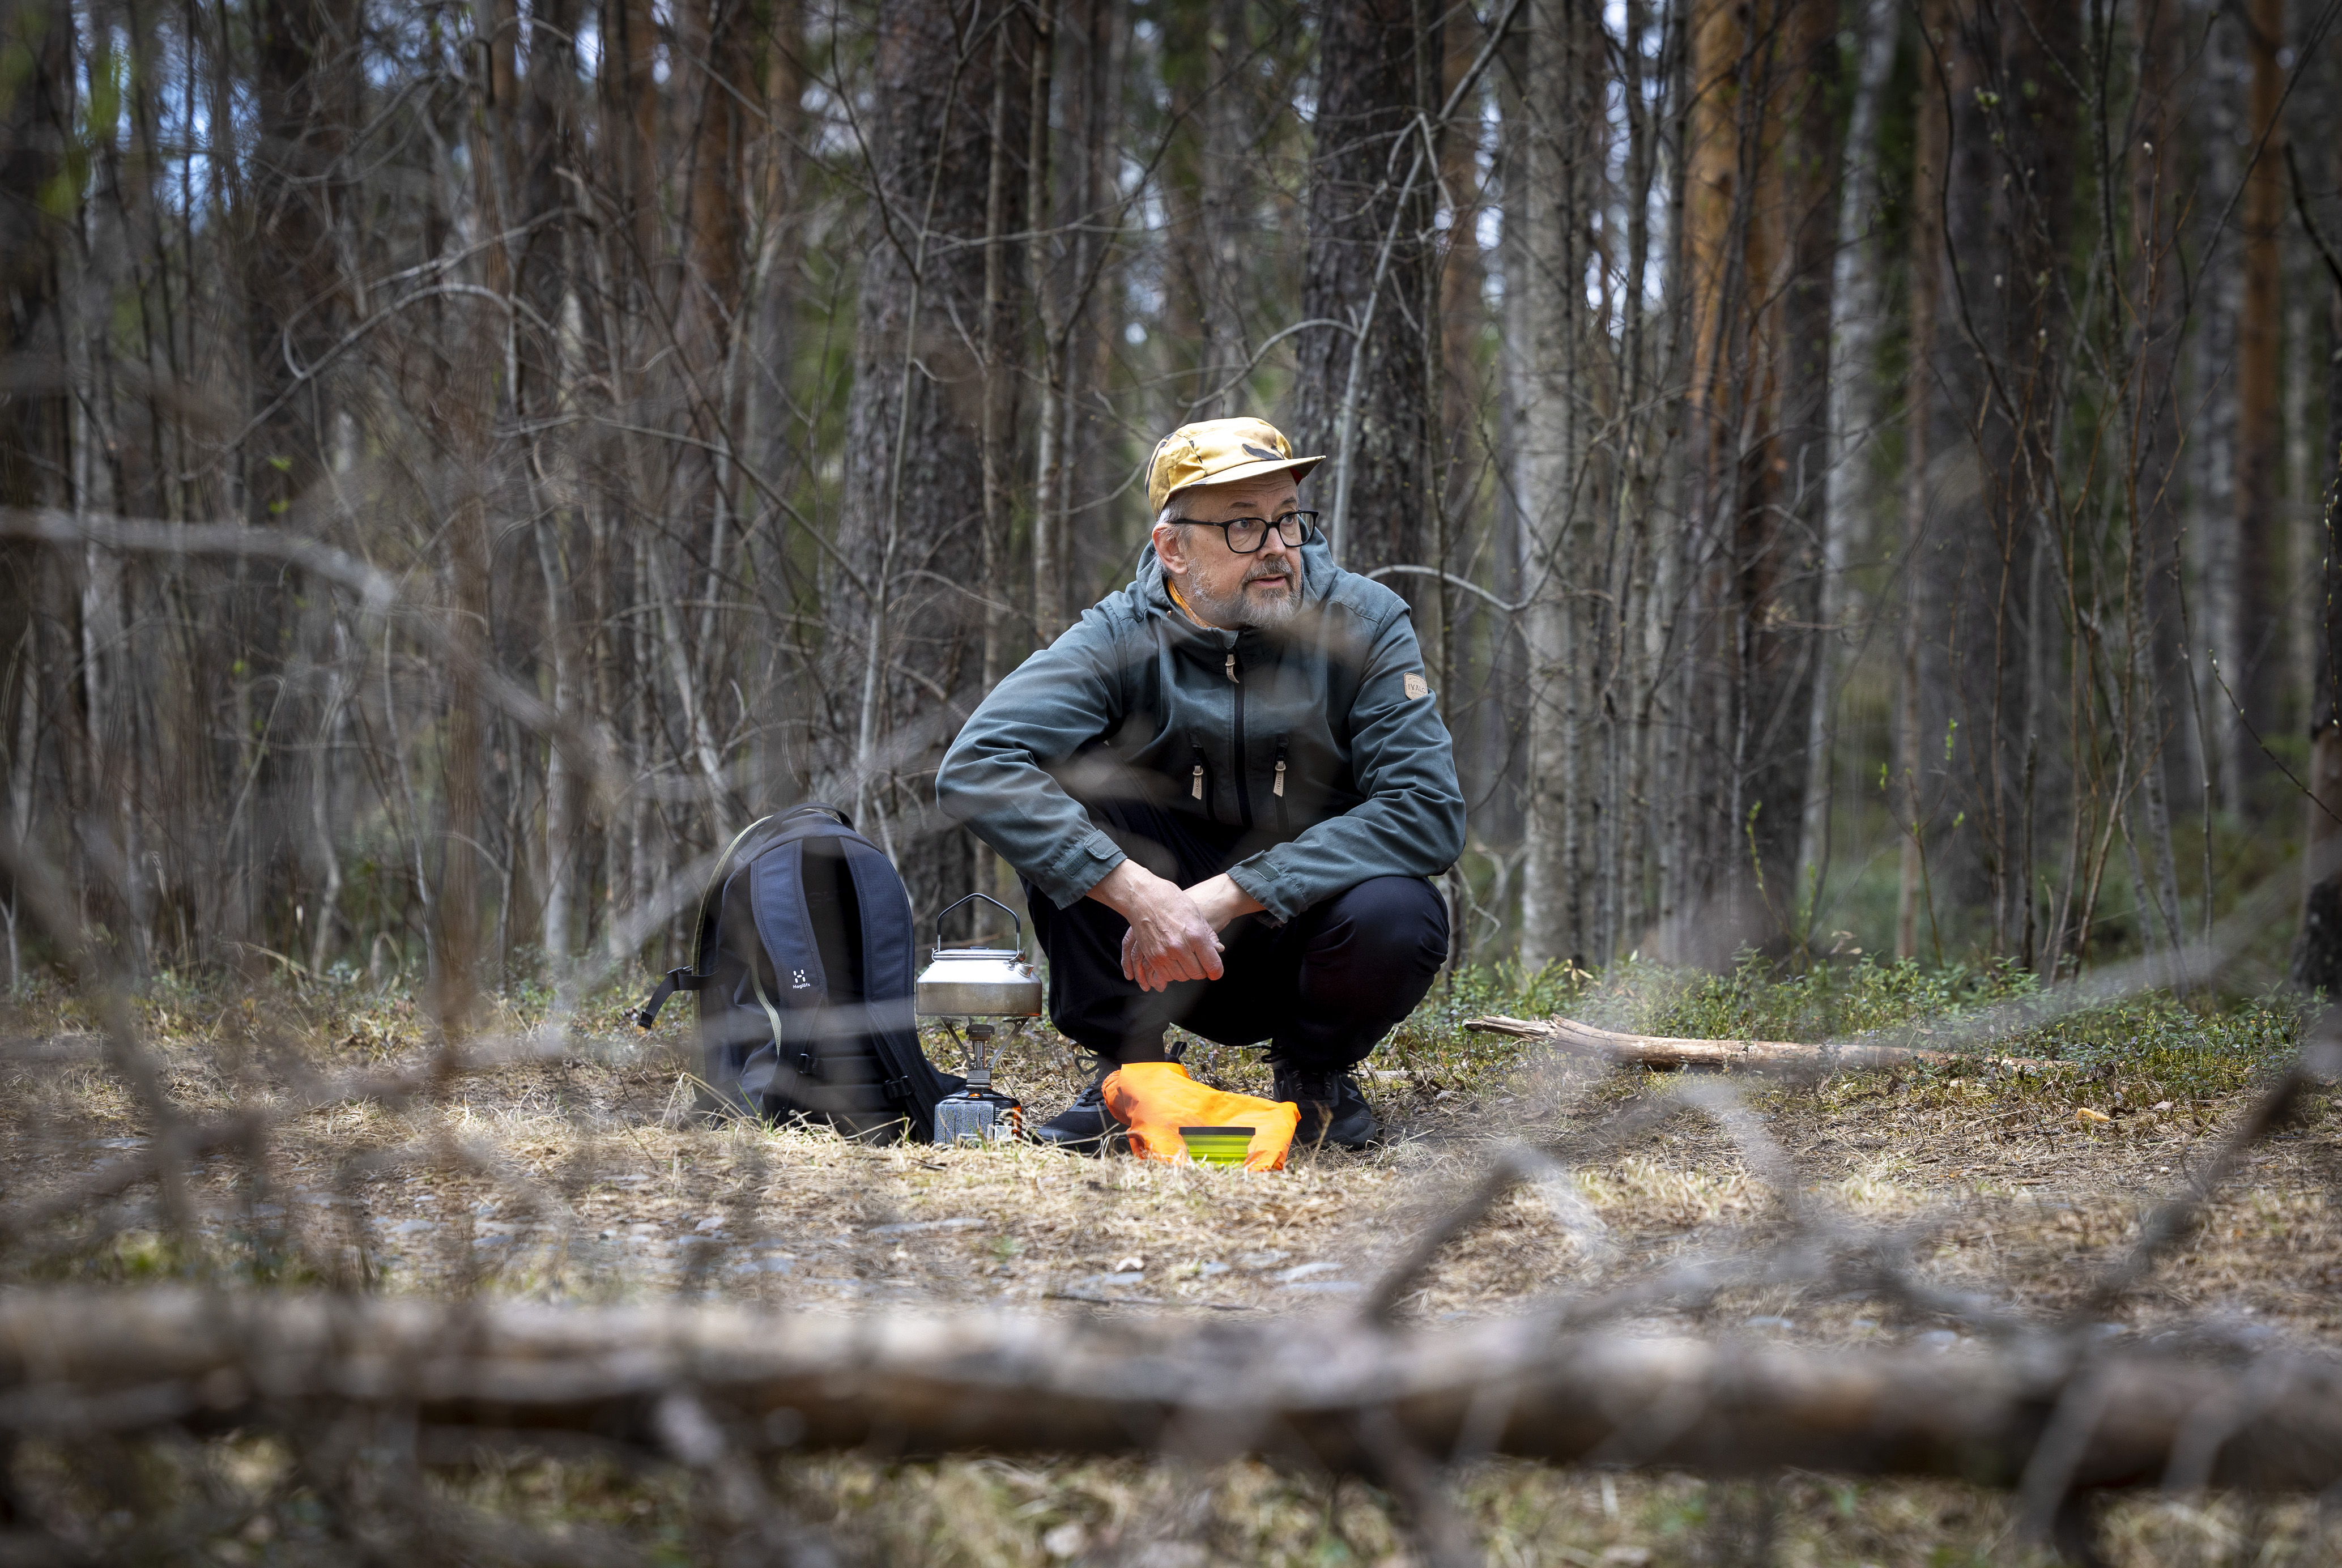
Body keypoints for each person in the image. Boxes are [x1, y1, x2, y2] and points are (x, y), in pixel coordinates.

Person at [936, 416, 1464, 1149]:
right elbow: (977, 766)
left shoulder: (1364, 622)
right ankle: (1131, 1075)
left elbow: (1427, 812)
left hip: (1306, 933)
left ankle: (1313, 1081)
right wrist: (1135, 891)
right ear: (1171, 549)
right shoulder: (1119, 636)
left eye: (1287, 520)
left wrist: (1233, 892)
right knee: (1069, 780)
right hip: (1153, 946)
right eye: (1243, 527)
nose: (1279, 548)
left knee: (1397, 908)